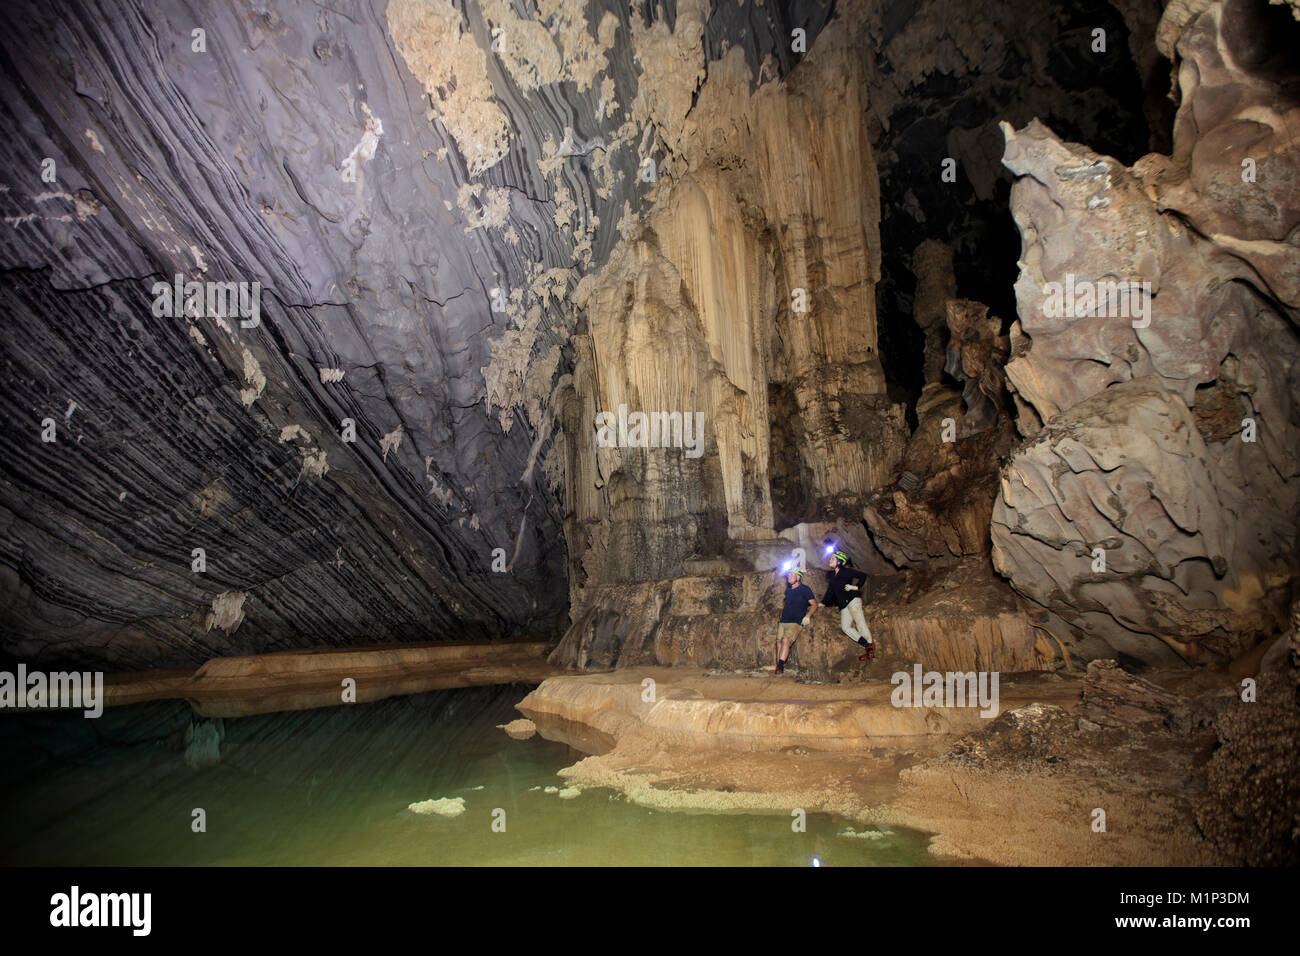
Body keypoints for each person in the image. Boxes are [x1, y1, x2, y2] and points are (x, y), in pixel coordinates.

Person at [809, 546, 875, 662]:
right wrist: (823, 603)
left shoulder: (846, 571)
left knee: (860, 623)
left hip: (853, 600)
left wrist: (855, 587)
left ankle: (870, 647)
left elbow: (862, 576)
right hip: (843, 605)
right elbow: (830, 591)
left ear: (839, 561)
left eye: (833, 559)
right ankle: (866, 645)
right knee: (845, 627)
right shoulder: (833, 577)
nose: (830, 560)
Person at [774, 565, 817, 675]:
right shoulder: (788, 591)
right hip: (784, 620)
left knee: (785, 640)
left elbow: (814, 604)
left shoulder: (805, 589)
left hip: (795, 621)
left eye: (792, 574)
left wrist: (807, 616)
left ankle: (780, 666)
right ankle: (778, 666)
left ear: (798, 577)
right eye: (789, 574)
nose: (789, 576)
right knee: (779, 642)